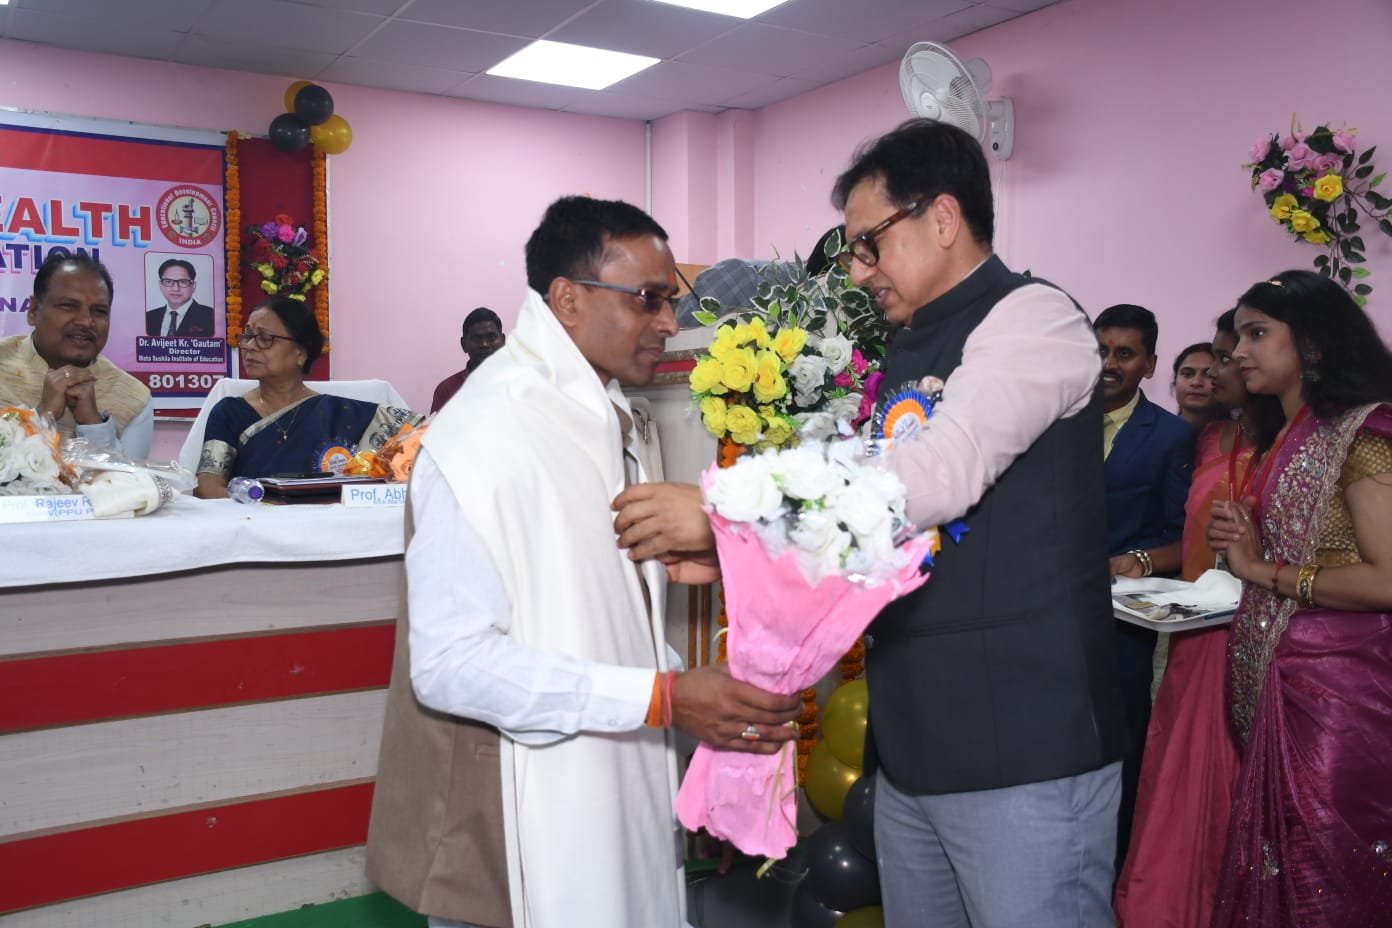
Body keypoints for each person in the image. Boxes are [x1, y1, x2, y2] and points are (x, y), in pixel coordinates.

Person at [615, 119, 1127, 927]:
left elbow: (939, 475)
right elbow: (872, 522)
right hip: (914, 739)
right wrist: (749, 557)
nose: (859, 269)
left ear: (943, 217)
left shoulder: (1034, 320)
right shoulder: (908, 345)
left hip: (1022, 738)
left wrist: (727, 516)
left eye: (869, 243)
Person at [365, 195, 801, 928]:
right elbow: (450, 666)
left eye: (671, 300)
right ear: (567, 299)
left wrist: (700, 725)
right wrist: (666, 699)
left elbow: (597, 620)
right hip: (508, 813)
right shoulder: (486, 434)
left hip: (616, 777)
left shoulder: (600, 414)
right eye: (648, 299)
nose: (668, 322)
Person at [1206, 270, 1392, 927]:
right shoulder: (1290, 434)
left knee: (1326, 879)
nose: (1239, 352)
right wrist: (1248, 548)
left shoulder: (1366, 434)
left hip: (1339, 700)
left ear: (1312, 343)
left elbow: (1387, 578)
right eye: (1238, 337)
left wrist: (1264, 568)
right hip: (1283, 691)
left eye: (1257, 334)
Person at [1113, 308, 1283, 927]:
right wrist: (1140, 564)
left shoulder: (1291, 445)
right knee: (1175, 771)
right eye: (1216, 354)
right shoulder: (1209, 440)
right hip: (1190, 629)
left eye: (1229, 354)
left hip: (1256, 635)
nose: (1216, 369)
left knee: (1227, 777)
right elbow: (1182, 537)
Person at [1093, 302, 1195, 873]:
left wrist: (1137, 559)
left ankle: (1115, 870)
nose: (1109, 364)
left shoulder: (1173, 437)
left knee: (1122, 744)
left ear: (1150, 365)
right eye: (1101, 350)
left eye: (1125, 354)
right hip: (1047, 611)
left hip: (1123, 626)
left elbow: (1185, 536)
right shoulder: (1055, 424)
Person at [194, 296, 418, 497]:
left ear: (300, 353)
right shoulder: (230, 412)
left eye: (264, 338)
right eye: (247, 336)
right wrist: (264, 508)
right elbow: (207, 486)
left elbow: (418, 450)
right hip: (253, 521)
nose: (249, 346)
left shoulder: (339, 415)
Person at [0, 251, 153, 457]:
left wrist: (93, 424)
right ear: (34, 310)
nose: (86, 321)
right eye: (69, 306)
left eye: (99, 311)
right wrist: (41, 417)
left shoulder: (133, 398)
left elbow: (133, 477)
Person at [429, 307, 505, 413]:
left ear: (503, 341)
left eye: (491, 337)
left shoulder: (523, 381)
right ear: (463, 344)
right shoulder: (446, 390)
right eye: (477, 339)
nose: (484, 344)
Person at [145, 258, 215, 337]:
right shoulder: (148, 317)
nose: (175, 288)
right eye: (168, 281)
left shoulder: (211, 316)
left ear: (193, 286)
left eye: (183, 282)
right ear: (160, 285)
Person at [1172, 340, 1219, 427]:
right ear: (1175, 381)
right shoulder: (1159, 432)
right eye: (1187, 374)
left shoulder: (1239, 432)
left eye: (1208, 375)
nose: (1196, 382)